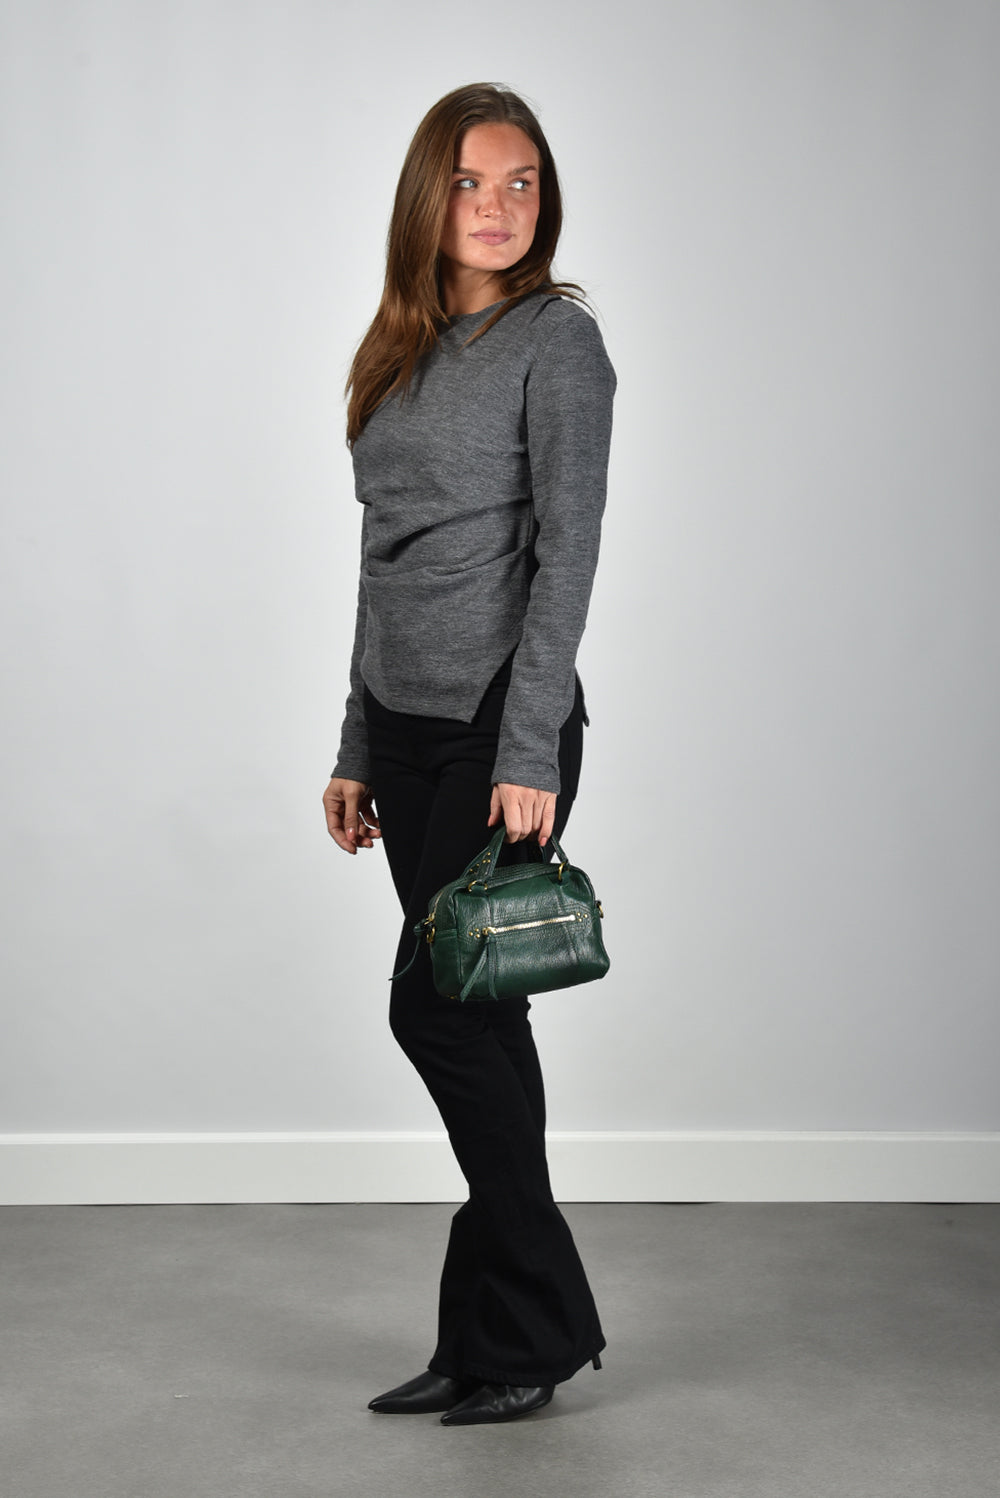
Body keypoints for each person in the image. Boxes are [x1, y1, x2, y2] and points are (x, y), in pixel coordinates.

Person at [322, 82, 615, 1426]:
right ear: (426, 197)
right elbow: (379, 564)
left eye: (522, 183)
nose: (499, 207)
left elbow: (567, 556)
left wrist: (532, 745)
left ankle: (542, 1318)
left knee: (434, 1010)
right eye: (471, 182)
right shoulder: (400, 347)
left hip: (503, 729)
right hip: (405, 730)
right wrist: (354, 740)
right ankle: (488, 1335)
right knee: (482, 1019)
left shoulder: (559, 345)